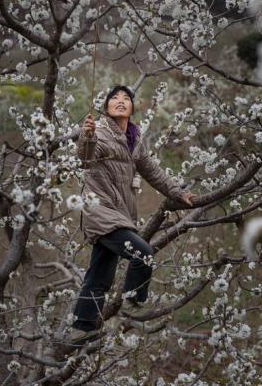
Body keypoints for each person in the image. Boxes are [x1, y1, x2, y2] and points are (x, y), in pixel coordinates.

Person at [69, 85, 195, 345]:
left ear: (133, 107)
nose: (121, 101)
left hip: (119, 213)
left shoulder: (134, 139)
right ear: (106, 107)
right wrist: (87, 137)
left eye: (126, 98)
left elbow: (152, 171)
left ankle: (81, 327)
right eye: (114, 98)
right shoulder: (99, 132)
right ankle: (133, 302)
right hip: (100, 211)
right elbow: (85, 159)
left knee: (100, 275)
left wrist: (177, 192)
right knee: (143, 254)